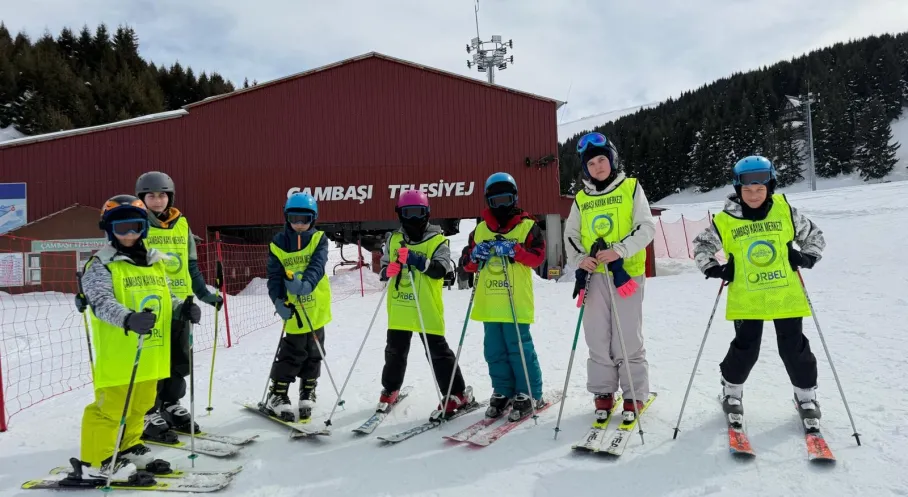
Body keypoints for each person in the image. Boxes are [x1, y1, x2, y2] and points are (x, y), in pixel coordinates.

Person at [70, 195, 200, 480]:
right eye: (122, 228)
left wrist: (183, 308)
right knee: (111, 408)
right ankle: (97, 460)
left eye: (136, 227)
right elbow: (101, 302)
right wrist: (128, 318)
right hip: (120, 353)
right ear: (109, 230)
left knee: (140, 405)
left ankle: (128, 446)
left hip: (151, 352)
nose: (130, 234)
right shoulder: (101, 264)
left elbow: (166, 296)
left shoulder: (155, 262)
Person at [692, 155, 825, 419]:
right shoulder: (726, 219)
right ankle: (731, 391)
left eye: (760, 189)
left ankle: (806, 397)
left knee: (794, 347)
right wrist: (714, 268)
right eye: (747, 189)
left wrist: (805, 257)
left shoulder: (785, 210)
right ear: (738, 188)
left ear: (770, 187)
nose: (754, 195)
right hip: (746, 297)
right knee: (746, 348)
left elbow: (814, 236)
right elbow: (701, 246)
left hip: (785, 295)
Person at [563, 132, 655, 420]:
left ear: (612, 160)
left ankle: (634, 392)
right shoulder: (581, 199)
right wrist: (582, 260)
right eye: (591, 164)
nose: (598, 167)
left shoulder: (630, 188)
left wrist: (620, 250)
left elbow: (646, 227)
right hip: (595, 278)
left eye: (602, 160)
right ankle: (603, 391)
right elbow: (571, 236)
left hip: (625, 276)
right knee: (596, 336)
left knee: (626, 336)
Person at [134, 171, 223, 440]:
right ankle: (148, 410)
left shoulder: (181, 225)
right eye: (151, 195)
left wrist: (205, 295)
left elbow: (191, 267)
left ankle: (171, 403)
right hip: (150, 304)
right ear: (142, 198)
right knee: (152, 359)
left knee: (178, 358)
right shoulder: (136, 224)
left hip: (182, 305)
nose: (158, 200)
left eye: (162, 195)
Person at [377, 190, 474, 416]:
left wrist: (417, 260)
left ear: (427, 214)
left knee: (437, 352)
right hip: (400, 306)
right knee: (394, 351)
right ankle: (390, 388)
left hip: (426, 307)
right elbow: (384, 266)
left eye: (418, 213)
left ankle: (456, 393)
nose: (413, 219)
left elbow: (442, 270)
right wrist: (386, 270)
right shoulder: (393, 239)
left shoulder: (437, 240)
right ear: (400, 215)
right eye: (407, 213)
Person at [463, 172, 546, 421]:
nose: (501, 206)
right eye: (496, 201)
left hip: (515, 302)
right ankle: (503, 390)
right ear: (488, 202)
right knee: (494, 350)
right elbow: (467, 263)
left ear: (515, 199)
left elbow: (538, 257)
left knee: (518, 347)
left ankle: (530, 392)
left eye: (506, 200)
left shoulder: (527, 226)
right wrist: (476, 255)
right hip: (489, 303)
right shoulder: (479, 230)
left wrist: (515, 250)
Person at [263, 192, 331, 422]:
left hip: (316, 307)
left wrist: (307, 284)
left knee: (315, 353)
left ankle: (308, 389)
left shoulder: (319, 239)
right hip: (294, 311)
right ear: (286, 217)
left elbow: (317, 265)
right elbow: (273, 276)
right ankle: (278, 393)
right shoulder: (278, 244)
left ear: (313, 219)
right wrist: (278, 300)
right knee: (293, 353)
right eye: (294, 219)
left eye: (305, 219)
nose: (300, 225)